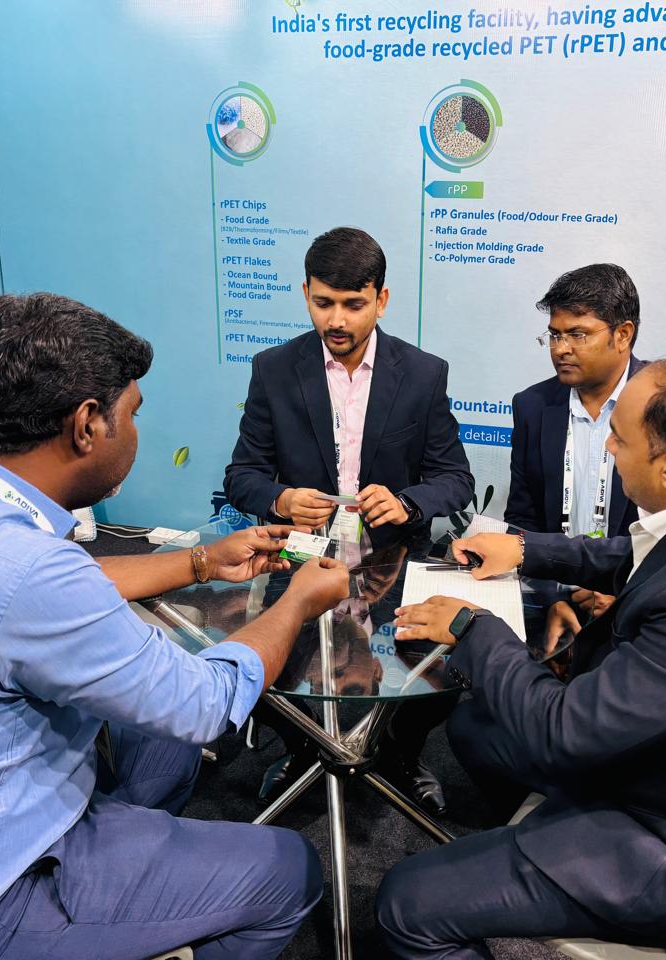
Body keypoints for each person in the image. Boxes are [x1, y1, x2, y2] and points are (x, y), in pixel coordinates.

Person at [0, 293, 351, 960]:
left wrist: (200, 561)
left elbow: (33, 592)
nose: (136, 431)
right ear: (87, 425)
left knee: (158, 750)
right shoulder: (29, 576)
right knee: (288, 869)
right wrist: (299, 601)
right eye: (132, 413)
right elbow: (206, 704)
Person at [378, 355, 666, 959]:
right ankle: (526, 854)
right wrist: (524, 549)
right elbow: (644, 557)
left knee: (406, 902)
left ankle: (546, 863)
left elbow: (561, 734)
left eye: (620, 437)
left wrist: (470, 626)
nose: (609, 447)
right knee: (477, 726)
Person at [224, 226, 474, 815]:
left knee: (447, 670)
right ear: (305, 293)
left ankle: (400, 753)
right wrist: (282, 499)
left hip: (394, 559)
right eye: (323, 302)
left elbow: (455, 478)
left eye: (353, 304)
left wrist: (408, 502)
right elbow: (242, 475)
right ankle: (304, 748)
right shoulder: (274, 369)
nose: (336, 320)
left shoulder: (422, 373)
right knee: (252, 660)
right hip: (302, 557)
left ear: (381, 300)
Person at [506, 263, 647, 646]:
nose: (560, 349)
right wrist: (551, 598)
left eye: (577, 335)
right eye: (554, 335)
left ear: (623, 334)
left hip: (638, 613)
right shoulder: (533, 406)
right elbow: (522, 520)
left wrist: (622, 593)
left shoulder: (664, 405)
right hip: (554, 609)